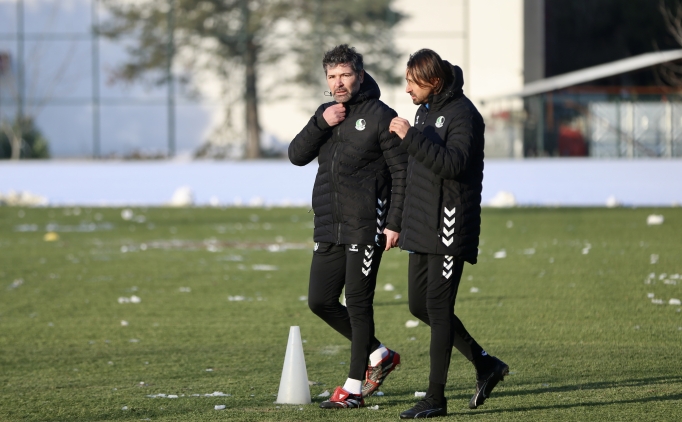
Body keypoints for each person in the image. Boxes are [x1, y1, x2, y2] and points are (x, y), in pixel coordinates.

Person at [388, 49, 509, 418]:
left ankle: (435, 398)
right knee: (418, 306)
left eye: (413, 82)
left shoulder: (465, 115)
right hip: (422, 224)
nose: (407, 89)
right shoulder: (424, 111)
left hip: (449, 224)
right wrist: (398, 221)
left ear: (435, 82)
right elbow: (419, 169)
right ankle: (485, 364)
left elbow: (454, 164)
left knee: (439, 308)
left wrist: (411, 138)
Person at [288, 44, 408, 409]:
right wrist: (320, 123)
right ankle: (379, 354)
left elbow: (402, 174)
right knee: (320, 301)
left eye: (345, 75)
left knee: (358, 304)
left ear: (360, 75)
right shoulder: (326, 114)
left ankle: (353, 389)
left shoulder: (381, 116)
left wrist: (394, 223)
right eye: (332, 76)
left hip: (365, 225)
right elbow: (296, 155)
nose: (338, 83)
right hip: (329, 225)